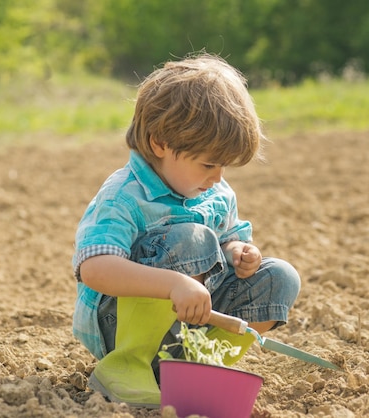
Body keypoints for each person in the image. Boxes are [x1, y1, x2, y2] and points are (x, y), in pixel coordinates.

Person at [72, 53, 301, 408]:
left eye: (224, 165)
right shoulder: (124, 197)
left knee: (281, 277)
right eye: (208, 163)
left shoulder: (215, 192)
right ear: (160, 143)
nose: (218, 177)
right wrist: (174, 284)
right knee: (192, 239)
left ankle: (197, 364)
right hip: (118, 325)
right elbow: (95, 269)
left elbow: (227, 239)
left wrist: (240, 251)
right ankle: (127, 366)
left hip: (191, 320)